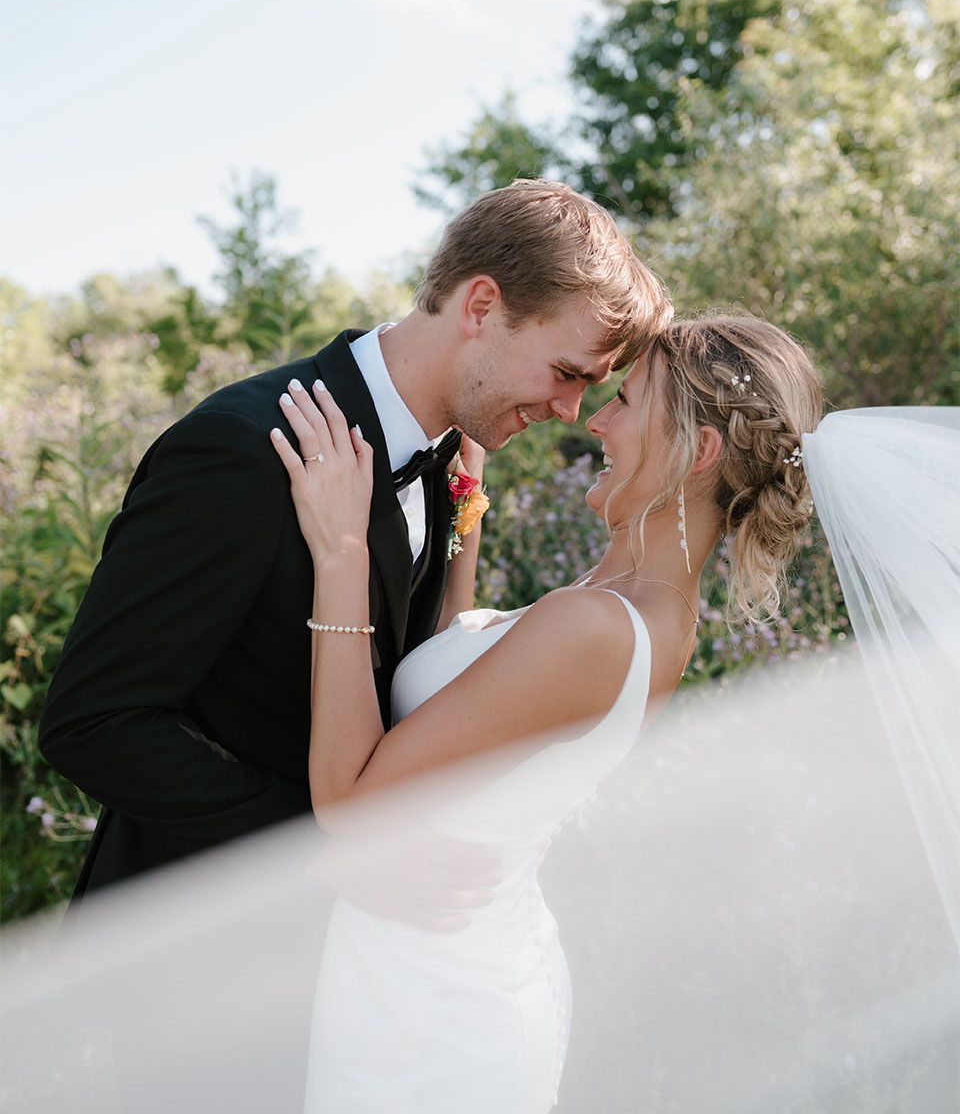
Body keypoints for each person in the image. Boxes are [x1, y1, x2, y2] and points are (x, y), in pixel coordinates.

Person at [269, 313, 825, 1114]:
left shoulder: (596, 628)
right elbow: (463, 693)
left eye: (627, 401)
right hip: (442, 964)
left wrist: (344, 552)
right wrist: (466, 503)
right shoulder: (638, 612)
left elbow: (351, 801)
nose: (593, 420)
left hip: (431, 1007)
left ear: (698, 452)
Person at [38, 179, 672, 904]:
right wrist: (326, 859)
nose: (570, 411)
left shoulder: (453, 461)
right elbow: (94, 721)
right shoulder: (244, 449)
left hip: (354, 964)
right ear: (482, 306)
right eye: (567, 374)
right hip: (188, 952)